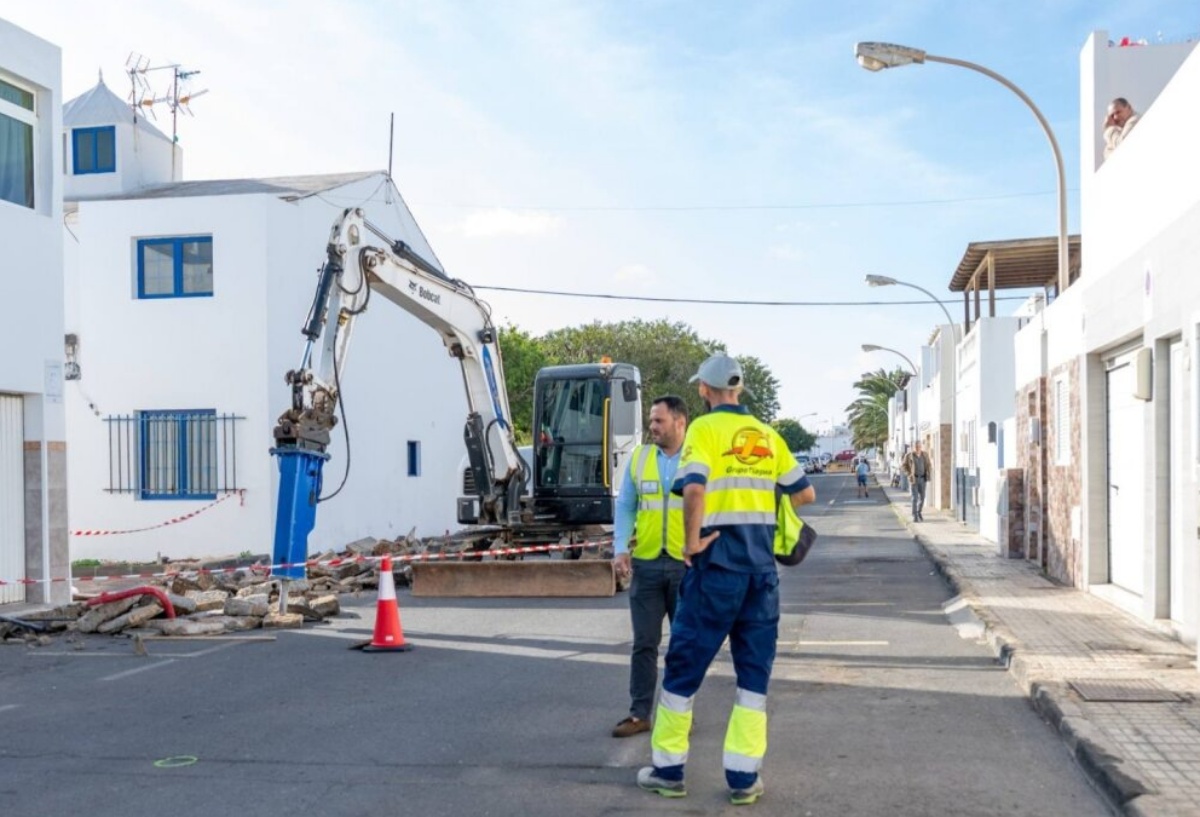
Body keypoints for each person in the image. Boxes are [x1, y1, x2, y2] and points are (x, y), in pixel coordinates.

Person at [637, 353, 816, 805]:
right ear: (739, 391)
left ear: (703, 389)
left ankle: (669, 769)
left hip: (716, 569)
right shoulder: (767, 434)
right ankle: (743, 779)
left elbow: (693, 486)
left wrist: (692, 541)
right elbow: (805, 493)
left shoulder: (704, 430)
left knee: (683, 667)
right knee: (753, 678)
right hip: (762, 576)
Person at [611, 395, 689, 738]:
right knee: (644, 642)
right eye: (652, 421)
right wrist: (620, 548)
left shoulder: (698, 459)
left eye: (658, 421)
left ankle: (678, 713)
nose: (652, 427)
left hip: (687, 566)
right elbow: (626, 505)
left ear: (679, 423)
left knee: (684, 645)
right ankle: (639, 713)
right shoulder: (640, 458)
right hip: (646, 564)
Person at [901, 441, 932, 522]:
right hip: (914, 479)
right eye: (916, 446)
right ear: (913, 447)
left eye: (919, 446)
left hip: (923, 478)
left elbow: (929, 464)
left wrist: (929, 472)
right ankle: (914, 515)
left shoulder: (925, 454)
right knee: (915, 498)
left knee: (922, 497)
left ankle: (919, 512)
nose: (918, 448)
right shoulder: (909, 456)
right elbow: (903, 466)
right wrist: (909, 474)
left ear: (921, 447)